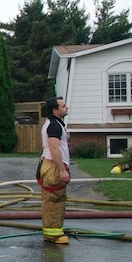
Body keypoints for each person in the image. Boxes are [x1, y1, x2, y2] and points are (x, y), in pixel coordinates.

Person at [38, 96, 71, 244]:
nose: (66, 108)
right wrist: (62, 170)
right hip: (53, 166)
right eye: (63, 106)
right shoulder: (54, 126)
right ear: (54, 110)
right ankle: (53, 235)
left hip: (52, 165)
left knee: (56, 199)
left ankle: (55, 231)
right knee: (54, 200)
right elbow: (54, 149)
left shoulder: (55, 123)